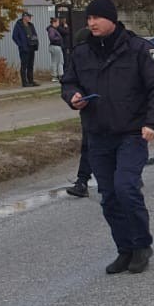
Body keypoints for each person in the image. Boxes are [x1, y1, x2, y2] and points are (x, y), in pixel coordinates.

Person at [61, 0, 154, 274]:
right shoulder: (83, 52)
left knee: (126, 188)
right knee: (109, 196)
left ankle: (141, 245)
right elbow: (69, 82)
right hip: (98, 134)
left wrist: (153, 123)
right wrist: (72, 96)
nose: (91, 23)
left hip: (132, 133)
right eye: (88, 19)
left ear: (112, 19)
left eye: (97, 18)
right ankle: (124, 249)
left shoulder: (138, 50)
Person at [65, 22, 94, 197]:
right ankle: (82, 181)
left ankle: (128, 177)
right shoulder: (78, 61)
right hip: (90, 110)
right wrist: (74, 96)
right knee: (88, 145)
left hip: (116, 111)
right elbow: (70, 83)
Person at [12, 11, 40, 86]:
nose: (30, 18)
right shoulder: (19, 25)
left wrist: (36, 42)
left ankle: (31, 80)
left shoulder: (31, 25)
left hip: (32, 47)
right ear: (24, 17)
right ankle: (24, 82)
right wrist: (21, 45)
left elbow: (34, 34)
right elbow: (14, 36)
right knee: (24, 65)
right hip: (24, 48)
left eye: (30, 17)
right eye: (29, 16)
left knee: (31, 65)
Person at [45, 16, 67, 82]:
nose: (58, 23)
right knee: (59, 61)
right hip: (55, 46)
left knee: (55, 61)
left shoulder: (52, 29)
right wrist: (59, 38)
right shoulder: (52, 29)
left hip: (54, 47)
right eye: (57, 22)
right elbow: (52, 38)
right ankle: (58, 75)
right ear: (54, 22)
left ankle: (56, 76)